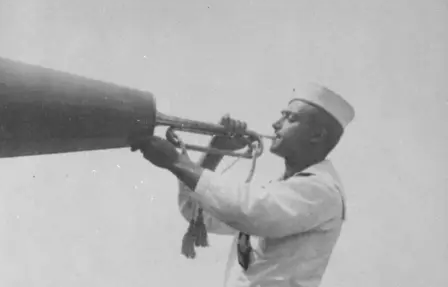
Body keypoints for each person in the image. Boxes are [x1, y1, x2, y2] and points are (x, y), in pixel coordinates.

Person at [129, 83, 354, 287]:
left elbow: (249, 210)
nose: (275, 124)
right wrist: (215, 151)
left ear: (317, 134)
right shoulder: (280, 189)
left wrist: (178, 162)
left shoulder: (322, 190)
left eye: (290, 118)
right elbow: (197, 213)